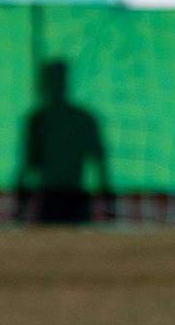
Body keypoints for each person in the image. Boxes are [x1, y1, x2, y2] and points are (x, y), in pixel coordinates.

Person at [15, 60, 112, 224]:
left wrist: (109, 207)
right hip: (51, 199)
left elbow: (99, 163)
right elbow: (28, 165)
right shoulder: (38, 120)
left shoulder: (82, 119)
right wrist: (19, 208)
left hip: (74, 199)